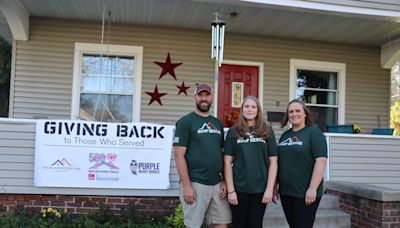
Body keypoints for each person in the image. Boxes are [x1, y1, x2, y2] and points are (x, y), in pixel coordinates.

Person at [173, 83, 232, 228]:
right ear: (195, 98)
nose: (204, 99)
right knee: (193, 225)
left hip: (217, 183)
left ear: (212, 98)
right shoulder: (185, 122)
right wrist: (187, 186)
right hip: (195, 182)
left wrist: (224, 180)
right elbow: (178, 155)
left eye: (207, 95)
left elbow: (222, 154)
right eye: (200, 95)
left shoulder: (217, 124)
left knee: (222, 222)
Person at [224, 96, 278, 228]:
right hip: (239, 187)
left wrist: (269, 189)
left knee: (255, 224)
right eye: (246, 106)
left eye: (253, 107)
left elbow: (273, 162)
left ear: (258, 110)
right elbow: (227, 162)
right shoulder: (233, 132)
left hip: (260, 188)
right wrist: (231, 191)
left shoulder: (267, 131)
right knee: (239, 224)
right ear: (242, 110)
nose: (249, 109)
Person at [276, 99, 328, 228]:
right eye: (291, 112)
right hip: (286, 192)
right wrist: (274, 186)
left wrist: (312, 188)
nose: (294, 114)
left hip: (304, 192)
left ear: (305, 113)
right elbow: (279, 163)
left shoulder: (314, 133)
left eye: (297, 111)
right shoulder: (285, 136)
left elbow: (321, 162)